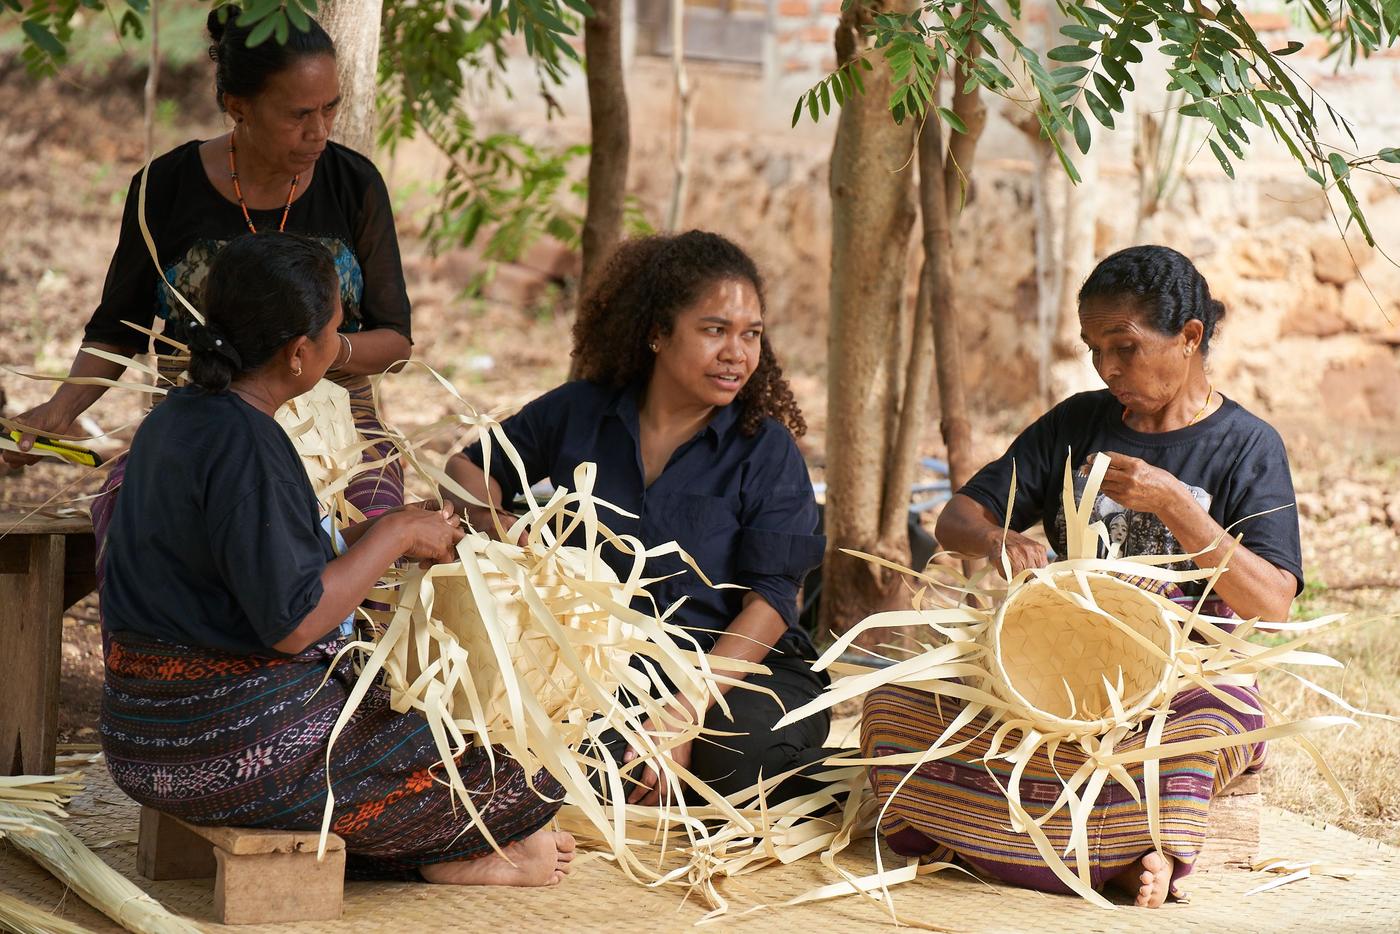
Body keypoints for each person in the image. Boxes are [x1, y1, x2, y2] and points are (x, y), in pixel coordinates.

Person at [100, 232, 574, 886]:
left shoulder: (179, 419)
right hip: (225, 745)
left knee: (408, 724)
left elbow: (257, 563)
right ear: (300, 354)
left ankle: (455, 846)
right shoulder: (249, 446)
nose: (343, 341)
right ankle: (469, 855)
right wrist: (397, 538)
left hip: (139, 736)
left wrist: (389, 534)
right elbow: (295, 622)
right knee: (524, 781)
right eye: (336, 330)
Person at [862, 245, 1304, 907]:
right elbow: (957, 517)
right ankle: (1114, 852)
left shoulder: (1247, 445)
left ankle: (990, 838)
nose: (1107, 368)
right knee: (891, 709)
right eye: (1095, 349)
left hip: (1176, 688)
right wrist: (998, 539)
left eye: (1123, 346)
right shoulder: (1078, 424)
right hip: (1052, 674)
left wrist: (1176, 505)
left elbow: (1272, 605)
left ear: (1190, 338)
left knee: (1217, 726)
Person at [443, 231, 832, 806]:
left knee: (729, 756)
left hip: (737, 671)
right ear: (657, 332)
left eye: (751, 334)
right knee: (563, 748)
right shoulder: (581, 412)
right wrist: (502, 527)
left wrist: (684, 708)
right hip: (605, 668)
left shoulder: (765, 449)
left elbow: (774, 599)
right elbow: (470, 465)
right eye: (714, 330)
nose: (737, 353)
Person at [4, 8, 410, 520]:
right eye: (298, 115)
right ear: (239, 105)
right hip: (194, 419)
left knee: (372, 525)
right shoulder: (164, 186)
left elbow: (396, 342)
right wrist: (58, 411)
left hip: (337, 430)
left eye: (330, 108)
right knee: (133, 515)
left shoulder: (355, 186)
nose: (320, 132)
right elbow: (118, 329)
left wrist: (323, 351)